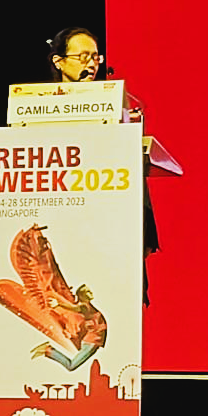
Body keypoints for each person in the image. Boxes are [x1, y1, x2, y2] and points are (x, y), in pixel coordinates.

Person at [45, 27, 160, 300]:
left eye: (95, 57)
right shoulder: (40, 106)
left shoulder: (118, 106)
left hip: (109, 228)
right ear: (58, 61)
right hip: (60, 222)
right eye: (82, 56)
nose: (90, 63)